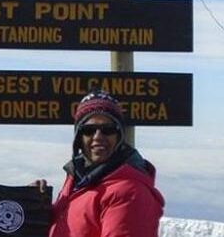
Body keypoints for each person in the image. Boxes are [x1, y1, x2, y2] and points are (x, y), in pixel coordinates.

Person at [41, 90, 164, 237]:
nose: (98, 137)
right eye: (89, 130)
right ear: (79, 137)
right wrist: (33, 203)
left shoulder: (128, 192)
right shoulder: (77, 181)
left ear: (119, 136)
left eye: (108, 130)